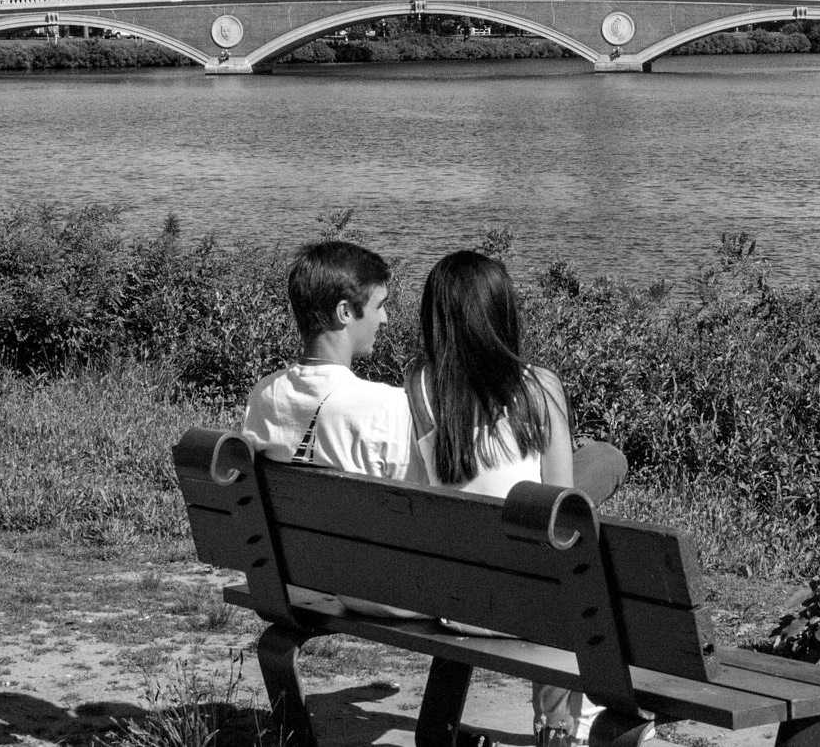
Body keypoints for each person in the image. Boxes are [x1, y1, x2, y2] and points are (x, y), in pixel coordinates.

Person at [407, 251, 643, 747]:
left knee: (596, 462)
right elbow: (562, 517)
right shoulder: (539, 388)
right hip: (526, 601)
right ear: (503, 314)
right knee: (596, 476)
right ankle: (562, 724)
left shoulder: (419, 384)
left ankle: (558, 720)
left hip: (453, 599)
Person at [241, 240, 426, 618]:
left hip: (300, 573)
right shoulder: (386, 405)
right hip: (385, 591)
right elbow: (419, 514)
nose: (385, 319)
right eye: (379, 305)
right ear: (344, 312)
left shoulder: (265, 394)